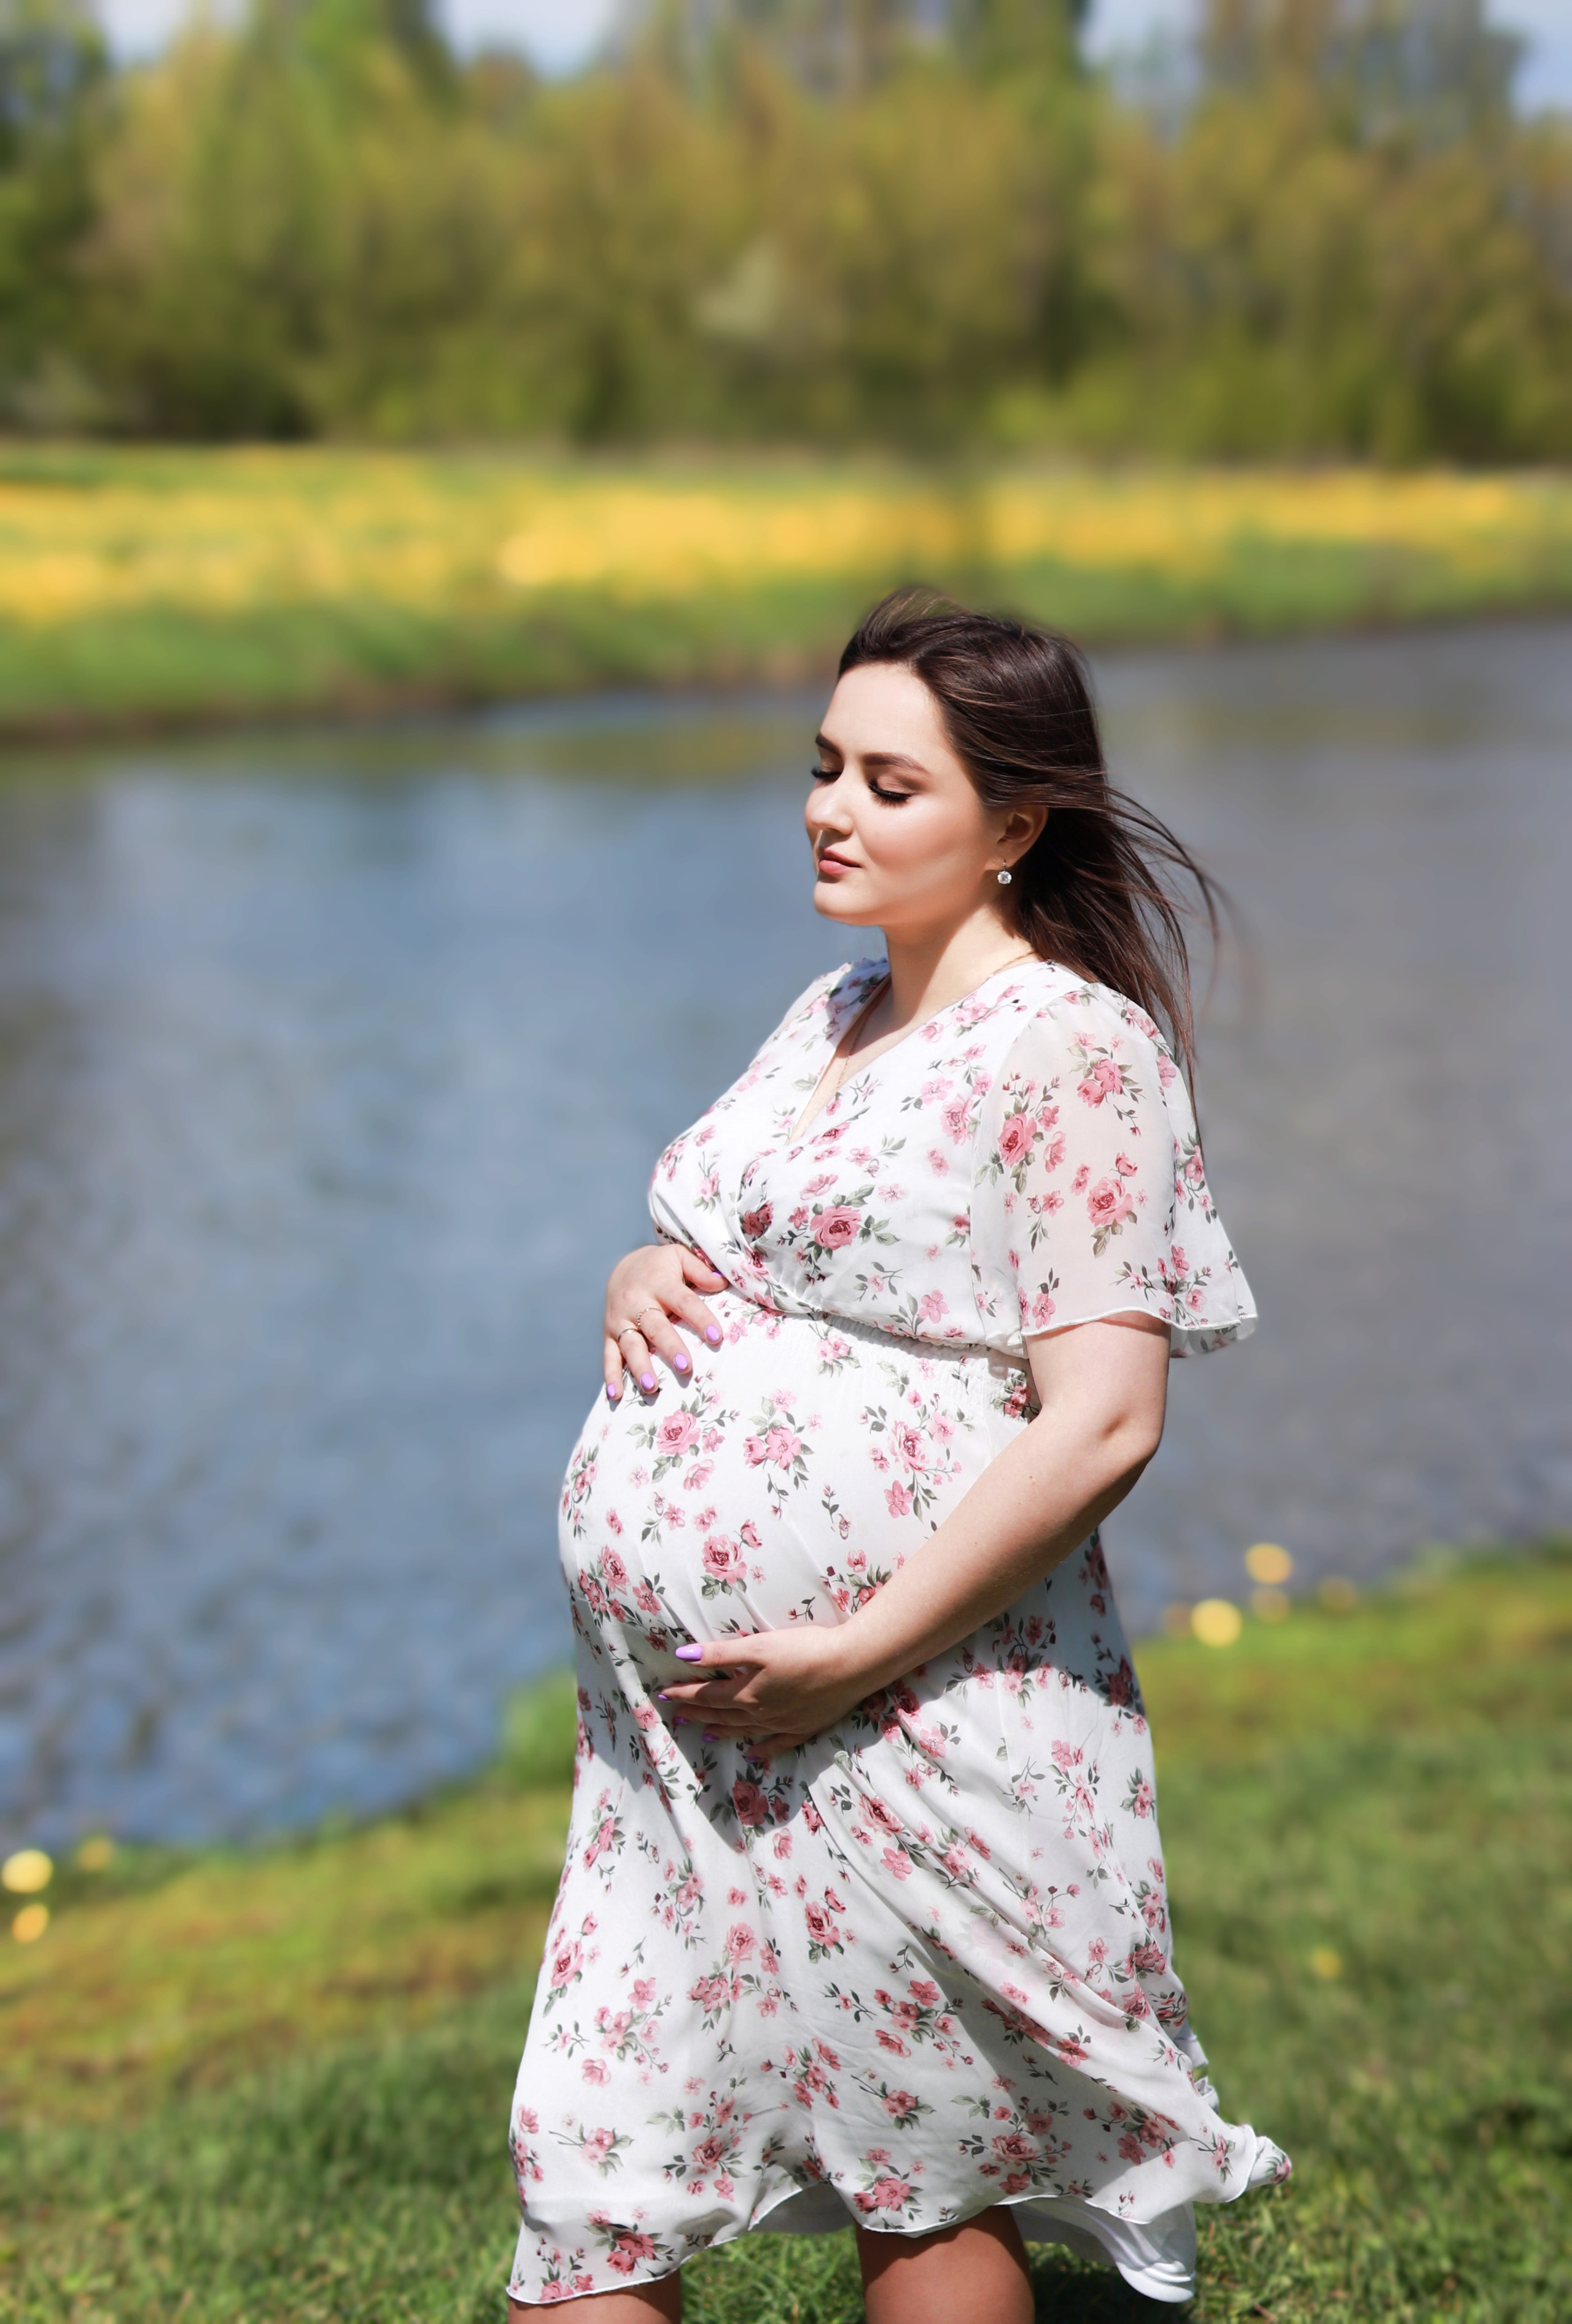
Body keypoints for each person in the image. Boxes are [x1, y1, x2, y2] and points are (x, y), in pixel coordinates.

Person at [506, 590, 1289, 2318]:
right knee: (591, 2177)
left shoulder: (1078, 1048)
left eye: (887, 780)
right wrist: (644, 1272)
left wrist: (852, 1648)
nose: (829, 807)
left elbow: (1105, 1415)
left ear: (1015, 822)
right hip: (679, 1744)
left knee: (920, 2179)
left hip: (912, 1705)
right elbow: (743, 1241)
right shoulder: (833, 1008)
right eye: (823, 765)